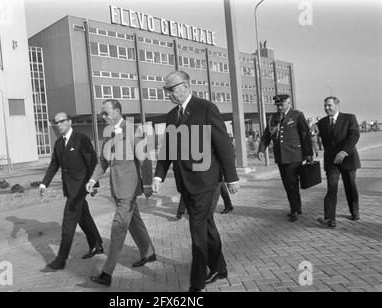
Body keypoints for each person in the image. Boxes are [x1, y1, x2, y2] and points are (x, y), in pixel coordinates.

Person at [152, 70, 239, 292]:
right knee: (207, 226)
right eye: (166, 90)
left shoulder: (206, 108)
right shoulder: (172, 116)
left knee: (197, 229)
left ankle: (196, 283)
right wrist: (158, 175)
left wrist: (231, 177)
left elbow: (223, 145)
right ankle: (219, 268)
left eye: (171, 89)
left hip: (206, 180)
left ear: (186, 85)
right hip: (185, 182)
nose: (168, 94)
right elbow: (167, 150)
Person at [87, 99, 155, 287]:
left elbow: (145, 159)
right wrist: (93, 180)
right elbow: (103, 161)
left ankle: (106, 273)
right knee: (134, 221)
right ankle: (148, 252)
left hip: (129, 189)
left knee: (118, 229)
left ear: (117, 111)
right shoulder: (108, 134)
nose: (103, 117)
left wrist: (148, 184)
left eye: (106, 113)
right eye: (102, 114)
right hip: (116, 188)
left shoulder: (133, 130)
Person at [39, 112, 103, 270]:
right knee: (83, 217)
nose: (58, 125)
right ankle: (97, 244)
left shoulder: (81, 139)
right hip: (69, 188)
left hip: (81, 188)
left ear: (69, 122)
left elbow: (92, 161)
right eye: (56, 122)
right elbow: (54, 164)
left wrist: (94, 185)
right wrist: (44, 184)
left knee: (68, 223)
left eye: (61, 122)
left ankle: (61, 259)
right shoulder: (59, 143)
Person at [257, 94, 313, 222]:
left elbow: (305, 135)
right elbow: (267, 135)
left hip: (294, 156)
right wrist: (261, 150)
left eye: (282, 105)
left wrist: (308, 154)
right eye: (278, 105)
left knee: (292, 183)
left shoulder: (297, 115)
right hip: (281, 157)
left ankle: (294, 210)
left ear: (289, 102)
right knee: (288, 184)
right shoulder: (274, 117)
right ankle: (296, 207)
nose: (280, 107)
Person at [316, 96, 361, 228]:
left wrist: (344, 151)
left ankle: (355, 212)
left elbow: (354, 135)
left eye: (329, 105)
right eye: (325, 106)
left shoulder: (349, 118)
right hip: (332, 162)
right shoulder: (322, 123)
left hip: (348, 158)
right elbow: (325, 142)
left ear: (337, 105)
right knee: (332, 188)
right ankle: (330, 218)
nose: (326, 108)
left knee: (350, 186)